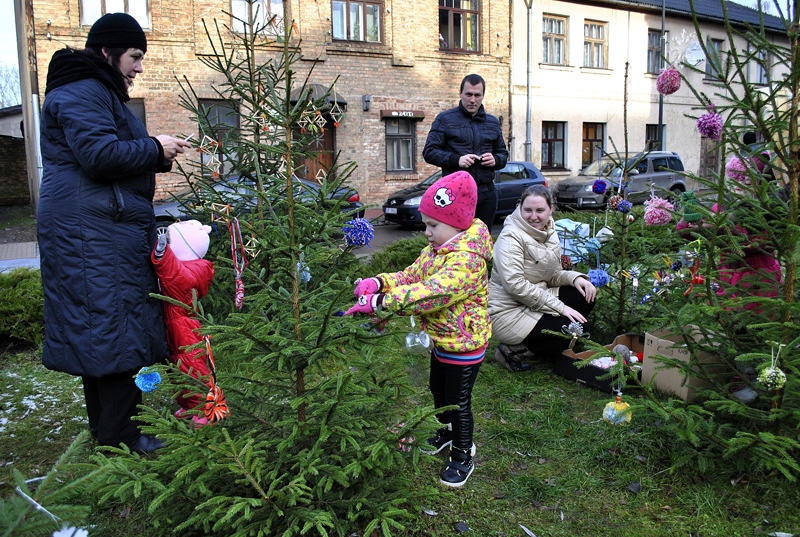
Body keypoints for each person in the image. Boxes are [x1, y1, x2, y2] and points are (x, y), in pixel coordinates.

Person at [38, 13, 191, 453]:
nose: (139, 67)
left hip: (97, 229)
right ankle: (123, 437)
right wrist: (155, 146)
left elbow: (109, 154)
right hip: (94, 234)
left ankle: (107, 431)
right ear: (107, 52)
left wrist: (157, 155)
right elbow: (101, 155)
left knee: (101, 331)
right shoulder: (85, 91)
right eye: (134, 56)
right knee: (115, 331)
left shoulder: (91, 90)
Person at [345, 171, 492, 488]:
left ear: (457, 223)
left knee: (459, 402)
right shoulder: (437, 249)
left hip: (465, 343)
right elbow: (412, 276)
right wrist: (380, 282)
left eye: (432, 225)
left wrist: (380, 303)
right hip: (442, 339)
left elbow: (432, 294)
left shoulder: (468, 259)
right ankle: (444, 432)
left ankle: (462, 453)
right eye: (426, 224)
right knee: (438, 392)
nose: (426, 232)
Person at [488, 185, 597, 372]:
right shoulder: (510, 237)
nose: (533, 216)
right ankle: (511, 351)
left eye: (540, 210)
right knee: (570, 330)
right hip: (508, 312)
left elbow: (552, 274)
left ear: (551, 209)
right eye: (527, 210)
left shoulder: (549, 231)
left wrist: (575, 279)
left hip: (536, 299)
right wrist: (560, 307)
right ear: (520, 207)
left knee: (584, 295)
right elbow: (515, 285)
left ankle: (549, 346)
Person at [423, 74, 509, 232]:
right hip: (455, 194)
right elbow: (429, 152)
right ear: (460, 93)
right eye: (469, 94)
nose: (472, 100)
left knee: (482, 241)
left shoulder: (492, 122)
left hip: (486, 193)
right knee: (456, 241)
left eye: (477, 95)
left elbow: (503, 154)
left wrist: (495, 159)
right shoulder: (445, 119)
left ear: (483, 95)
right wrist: (457, 160)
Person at [152, 220, 215, 427]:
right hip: (177, 324)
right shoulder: (191, 266)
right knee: (177, 368)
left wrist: (162, 255)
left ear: (183, 248)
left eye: (170, 242)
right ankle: (189, 405)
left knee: (191, 367)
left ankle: (206, 410)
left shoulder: (188, 272)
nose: (167, 245)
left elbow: (174, 276)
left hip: (184, 327)